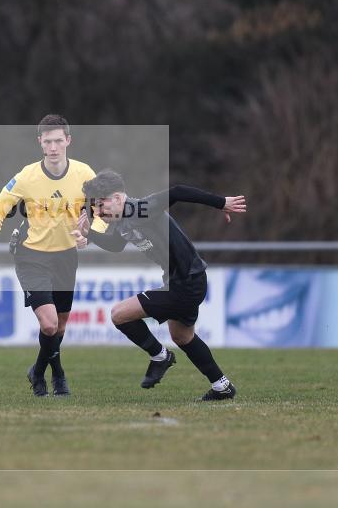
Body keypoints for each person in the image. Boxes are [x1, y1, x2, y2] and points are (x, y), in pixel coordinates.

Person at [74, 170, 246, 401]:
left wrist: (221, 202)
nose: (98, 211)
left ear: (117, 198)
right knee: (183, 337)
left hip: (185, 282)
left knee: (118, 314)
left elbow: (178, 192)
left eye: (101, 203)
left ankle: (160, 356)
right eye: (95, 206)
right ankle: (222, 386)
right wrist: (90, 234)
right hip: (183, 280)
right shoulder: (123, 220)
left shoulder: (141, 209)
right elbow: (115, 245)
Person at [0, 114, 104, 397]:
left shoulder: (85, 174)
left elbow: (102, 212)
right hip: (31, 256)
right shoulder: (26, 176)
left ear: (68, 140)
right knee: (48, 323)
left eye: (59, 140)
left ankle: (39, 371)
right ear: (40, 143)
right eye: (48, 142)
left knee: (60, 325)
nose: (54, 147)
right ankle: (56, 375)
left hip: (66, 257)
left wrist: (91, 232)